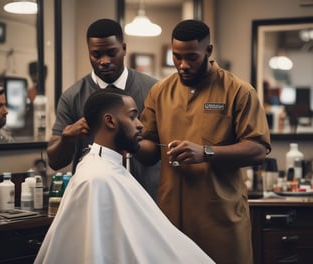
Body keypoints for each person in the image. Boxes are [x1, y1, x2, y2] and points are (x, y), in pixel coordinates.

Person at [135, 20, 271, 264]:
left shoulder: (239, 92)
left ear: (208, 51)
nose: (183, 65)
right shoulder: (160, 91)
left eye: (191, 57)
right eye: (177, 57)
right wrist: (129, 143)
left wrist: (206, 152)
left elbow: (258, 149)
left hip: (222, 221)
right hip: (171, 221)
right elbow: (149, 150)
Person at [35, 87, 215, 264]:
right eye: (132, 116)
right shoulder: (96, 179)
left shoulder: (108, 168)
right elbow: (95, 253)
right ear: (110, 121)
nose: (140, 124)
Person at [46, 18, 160, 200]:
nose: (104, 61)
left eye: (111, 52)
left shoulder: (153, 90)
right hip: (95, 198)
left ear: (123, 48)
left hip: (145, 198)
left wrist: (128, 137)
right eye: (97, 54)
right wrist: (68, 138)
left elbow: (158, 153)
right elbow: (55, 162)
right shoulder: (72, 96)